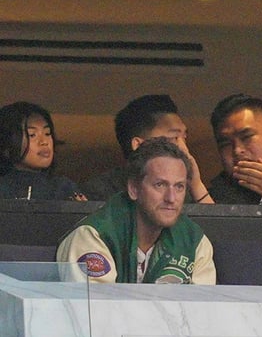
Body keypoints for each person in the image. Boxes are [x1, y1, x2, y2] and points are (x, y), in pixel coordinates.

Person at [57, 137, 216, 284]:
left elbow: (201, 312)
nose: (171, 198)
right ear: (133, 189)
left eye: (179, 187)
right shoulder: (93, 235)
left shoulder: (194, 241)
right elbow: (96, 310)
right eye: (160, 185)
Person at [80, 94, 213, 204]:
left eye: (184, 137)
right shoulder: (101, 191)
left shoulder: (183, 191)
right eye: (173, 138)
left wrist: (196, 185)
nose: (184, 149)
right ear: (138, 145)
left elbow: (217, 234)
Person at [0, 101, 86, 201]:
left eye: (47, 133)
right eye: (32, 135)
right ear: (7, 143)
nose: (44, 141)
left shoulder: (63, 188)